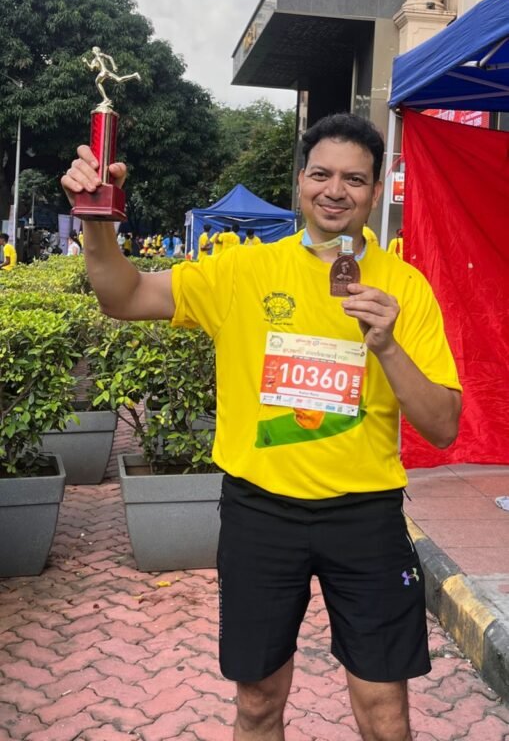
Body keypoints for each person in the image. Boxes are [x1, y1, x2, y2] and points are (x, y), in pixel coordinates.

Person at [61, 112, 461, 741]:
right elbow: (123, 296)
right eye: (321, 174)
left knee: (385, 712)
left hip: (366, 516)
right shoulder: (242, 271)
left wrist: (387, 346)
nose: (335, 191)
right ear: (300, 180)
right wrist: (96, 218)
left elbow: (443, 427)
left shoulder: (404, 287)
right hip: (261, 514)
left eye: (355, 179)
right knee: (257, 703)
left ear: (376, 191)